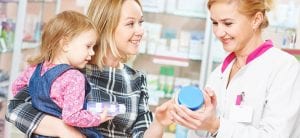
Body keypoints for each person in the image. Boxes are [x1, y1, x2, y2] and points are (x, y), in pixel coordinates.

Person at [6, 0, 173, 138]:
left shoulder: (137, 79)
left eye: (141, 22)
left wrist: (159, 122)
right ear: (107, 26)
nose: (141, 31)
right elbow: (15, 109)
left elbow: (142, 134)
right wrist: (64, 130)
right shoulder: (70, 70)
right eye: (130, 23)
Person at [169, 0, 300, 137]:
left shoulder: (284, 68)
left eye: (228, 23)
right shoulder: (218, 73)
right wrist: (196, 121)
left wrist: (216, 126)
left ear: (256, 20)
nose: (219, 32)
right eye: (215, 23)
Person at [11, 10, 113, 138]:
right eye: (88, 46)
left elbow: (16, 88)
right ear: (65, 44)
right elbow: (71, 116)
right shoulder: (74, 78)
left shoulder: (35, 69)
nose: (92, 53)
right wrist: (98, 117)